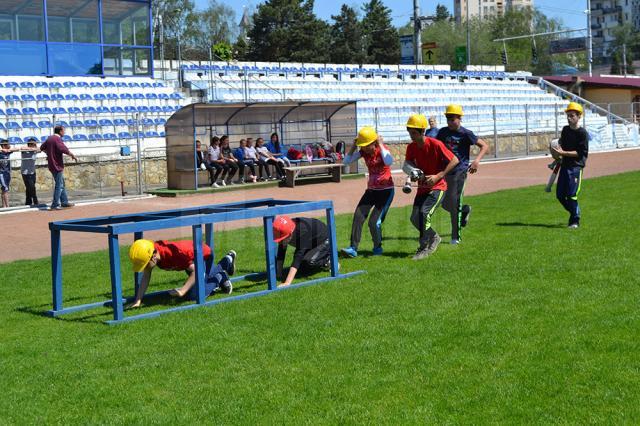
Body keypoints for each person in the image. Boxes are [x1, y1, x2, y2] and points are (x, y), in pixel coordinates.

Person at [403, 114, 459, 260]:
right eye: (409, 133)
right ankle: (434, 237)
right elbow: (408, 163)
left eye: (414, 133)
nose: (411, 136)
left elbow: (454, 160)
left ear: (422, 131)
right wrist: (413, 171)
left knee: (423, 214)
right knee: (415, 218)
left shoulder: (436, 144)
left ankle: (425, 246)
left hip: (438, 187)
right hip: (422, 188)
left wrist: (438, 176)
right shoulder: (411, 147)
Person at [128, 238, 236, 308]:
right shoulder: (153, 253)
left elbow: (196, 271)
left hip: (203, 257)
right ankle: (226, 263)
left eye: (146, 264)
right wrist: (138, 300)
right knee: (197, 282)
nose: (145, 268)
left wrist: (182, 291)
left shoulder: (175, 255)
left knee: (195, 295)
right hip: (190, 261)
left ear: (154, 256)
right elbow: (146, 276)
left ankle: (221, 274)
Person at [435, 104, 489, 244]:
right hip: (445, 171)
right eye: (448, 119)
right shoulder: (442, 132)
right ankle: (465, 210)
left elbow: (484, 145)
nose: (450, 122)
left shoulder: (466, 133)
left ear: (460, 119)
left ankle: (455, 237)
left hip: (460, 171)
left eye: (453, 119)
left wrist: (477, 161)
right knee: (445, 203)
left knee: (455, 204)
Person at [341, 127, 394, 258]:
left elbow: (389, 161)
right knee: (358, 216)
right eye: (362, 146)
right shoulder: (363, 152)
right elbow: (346, 162)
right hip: (371, 191)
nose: (364, 148)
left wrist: (380, 143)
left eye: (366, 145)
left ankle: (377, 247)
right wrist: (354, 146)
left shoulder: (382, 150)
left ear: (373, 142)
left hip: (386, 192)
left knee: (373, 222)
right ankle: (353, 248)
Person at [550, 102, 589, 228]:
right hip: (565, 165)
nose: (569, 118)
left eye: (572, 115)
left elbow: (580, 153)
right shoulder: (565, 130)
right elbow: (562, 147)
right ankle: (575, 212)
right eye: (568, 115)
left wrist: (563, 152)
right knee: (560, 195)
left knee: (572, 195)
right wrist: (556, 158)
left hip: (576, 167)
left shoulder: (582, 133)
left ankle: (575, 220)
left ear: (579, 116)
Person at [273, 216, 333, 287]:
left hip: (324, 239)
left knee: (310, 261)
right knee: (302, 268)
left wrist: (287, 282)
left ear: (291, 234)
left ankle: (328, 260)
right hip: (311, 241)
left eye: (283, 239)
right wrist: (279, 274)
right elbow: (281, 252)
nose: (281, 242)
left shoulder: (303, 232)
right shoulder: (286, 230)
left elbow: (298, 257)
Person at [40, 125, 77, 210]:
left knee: (61, 183)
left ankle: (64, 202)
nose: (64, 132)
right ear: (60, 131)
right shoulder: (57, 139)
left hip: (52, 164)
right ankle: (55, 204)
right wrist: (72, 155)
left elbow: (42, 147)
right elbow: (64, 149)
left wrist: (49, 154)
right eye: (63, 131)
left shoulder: (50, 138)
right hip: (57, 165)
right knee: (59, 185)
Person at [0, 139, 20, 208]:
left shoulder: (8, 152)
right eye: (7, 144)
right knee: (5, 189)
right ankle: (7, 206)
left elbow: (17, 149)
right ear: (3, 145)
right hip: (1, 173)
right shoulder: (1, 153)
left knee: (4, 190)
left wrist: (8, 150)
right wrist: (2, 149)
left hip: (7, 173)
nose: (9, 145)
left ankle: (4, 206)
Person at [21, 137, 40, 207]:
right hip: (25, 173)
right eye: (34, 144)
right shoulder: (25, 150)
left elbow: (40, 149)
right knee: (32, 187)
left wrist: (35, 148)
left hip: (33, 172)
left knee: (29, 188)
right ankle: (35, 200)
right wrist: (32, 148)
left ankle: (28, 202)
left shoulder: (35, 150)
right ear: (30, 144)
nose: (35, 145)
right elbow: (22, 148)